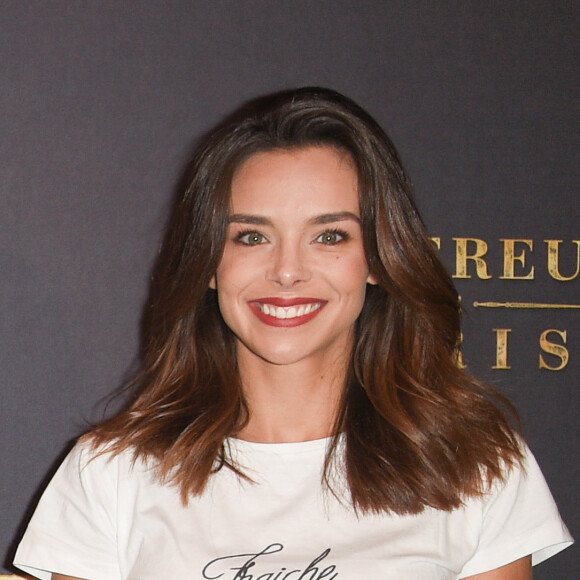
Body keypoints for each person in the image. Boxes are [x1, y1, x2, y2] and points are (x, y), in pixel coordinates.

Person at [14, 87, 572, 579]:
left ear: (377, 258)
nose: (286, 271)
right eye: (251, 238)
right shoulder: (112, 471)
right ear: (209, 263)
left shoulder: (472, 460)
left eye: (329, 237)